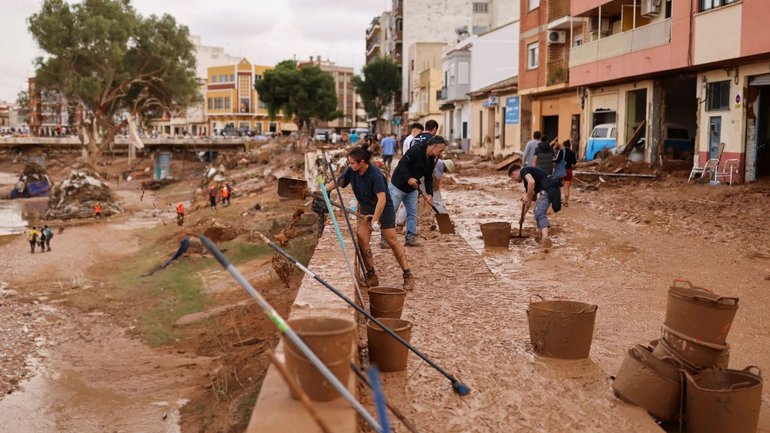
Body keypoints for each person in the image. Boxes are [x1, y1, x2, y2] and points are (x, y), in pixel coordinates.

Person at [324, 146, 416, 291]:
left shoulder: (376, 175)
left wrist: (375, 220)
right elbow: (338, 182)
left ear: (362, 162)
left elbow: (382, 200)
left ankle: (407, 274)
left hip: (383, 209)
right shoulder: (351, 171)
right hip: (365, 209)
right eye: (349, 162)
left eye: (352, 163)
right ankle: (371, 274)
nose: (350, 165)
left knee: (391, 240)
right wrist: (323, 190)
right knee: (362, 240)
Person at [389, 135, 448, 246]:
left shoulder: (431, 159)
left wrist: (430, 194)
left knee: (412, 214)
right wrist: (408, 178)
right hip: (398, 185)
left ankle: (410, 238)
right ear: (433, 147)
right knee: (391, 212)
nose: (441, 153)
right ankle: (386, 239)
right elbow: (402, 164)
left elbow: (428, 178)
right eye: (440, 150)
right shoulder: (416, 150)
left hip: (413, 188)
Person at [508, 164, 562, 245]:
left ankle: (545, 239)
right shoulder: (526, 182)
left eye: (513, 178)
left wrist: (527, 195)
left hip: (548, 188)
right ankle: (540, 234)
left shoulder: (523, 171)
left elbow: (532, 182)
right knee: (536, 211)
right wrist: (523, 216)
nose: (515, 180)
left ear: (513, 174)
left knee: (539, 212)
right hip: (551, 188)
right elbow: (528, 201)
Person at [561, 140, 577, 206]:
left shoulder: (561, 152)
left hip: (561, 170)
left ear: (564, 145)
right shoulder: (572, 153)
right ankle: (566, 202)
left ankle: (558, 200)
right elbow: (574, 162)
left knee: (558, 186)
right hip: (569, 170)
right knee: (566, 186)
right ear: (570, 145)